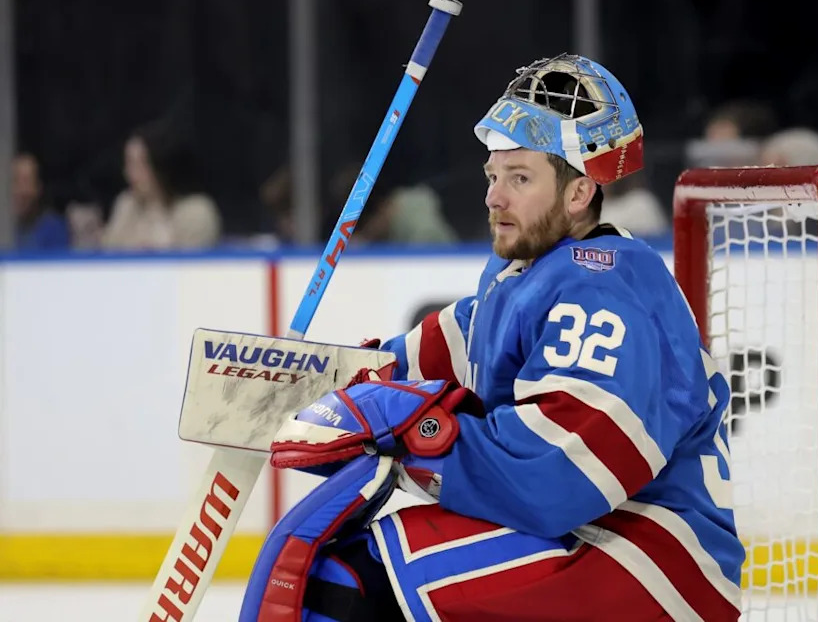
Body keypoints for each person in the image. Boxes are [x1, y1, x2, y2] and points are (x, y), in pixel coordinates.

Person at [245, 54, 743, 621]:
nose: (494, 197)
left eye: (520, 178)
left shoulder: (606, 291)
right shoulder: (528, 273)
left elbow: (557, 476)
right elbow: (425, 358)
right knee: (350, 569)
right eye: (493, 176)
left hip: (653, 563)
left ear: (579, 193)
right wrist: (312, 387)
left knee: (349, 587)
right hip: (598, 540)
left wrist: (417, 432)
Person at [101, 122, 221, 250]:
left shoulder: (196, 213)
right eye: (129, 164)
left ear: (161, 166)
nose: (129, 174)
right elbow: (107, 253)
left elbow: (194, 260)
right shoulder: (126, 205)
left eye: (139, 165)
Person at [12, 152, 71, 250]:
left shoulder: (53, 228)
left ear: (38, 187)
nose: (21, 190)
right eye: (15, 180)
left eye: (26, 182)